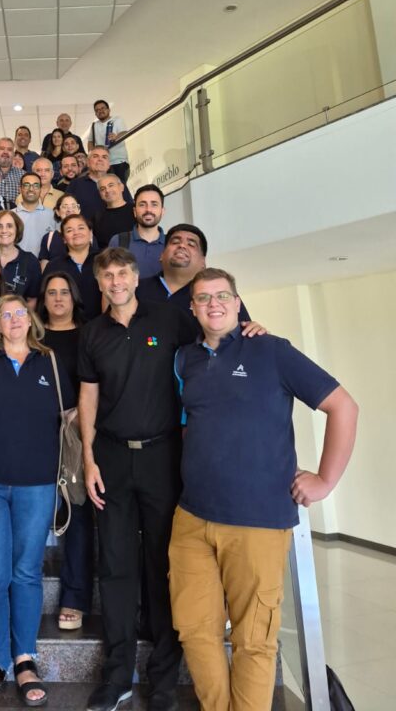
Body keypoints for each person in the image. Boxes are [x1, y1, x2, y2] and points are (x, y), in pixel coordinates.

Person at [78, 249, 266, 711]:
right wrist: (86, 456)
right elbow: (88, 394)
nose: (117, 281)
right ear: (100, 282)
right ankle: (118, 673)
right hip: (111, 459)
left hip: (165, 457)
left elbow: (216, 333)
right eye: (108, 275)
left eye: (124, 272)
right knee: (116, 567)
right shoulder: (92, 333)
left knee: (166, 566)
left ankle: (163, 677)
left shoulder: (170, 318)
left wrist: (252, 329)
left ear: (135, 277)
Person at [169, 268, 358, 711]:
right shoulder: (184, 361)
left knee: (255, 641)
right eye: (203, 298)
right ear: (193, 309)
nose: (213, 304)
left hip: (258, 521)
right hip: (192, 518)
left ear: (237, 304)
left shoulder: (272, 350)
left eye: (222, 296)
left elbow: (343, 406)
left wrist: (325, 480)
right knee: (195, 630)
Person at [0, 295, 75, 708]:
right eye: (7, 314)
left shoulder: (50, 363)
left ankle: (24, 659)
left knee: (25, 573)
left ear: (31, 320)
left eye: (21, 312)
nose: (15, 319)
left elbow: (72, 418)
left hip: (37, 486)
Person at [36, 273, 94, 633]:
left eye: (64, 293)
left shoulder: (90, 333)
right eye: (51, 293)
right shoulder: (32, 334)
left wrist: (83, 415)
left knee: (78, 514)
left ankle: (75, 597)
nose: (58, 299)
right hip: (36, 435)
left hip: (77, 434)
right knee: (33, 510)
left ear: (74, 297)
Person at [45, 214, 102, 320]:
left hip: (101, 327)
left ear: (90, 233)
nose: (76, 233)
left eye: (81, 228)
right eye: (69, 230)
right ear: (64, 239)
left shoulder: (104, 260)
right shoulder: (54, 266)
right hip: (66, 326)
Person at [0, 209, 41, 308]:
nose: (4, 231)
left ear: (17, 229)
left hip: (16, 320)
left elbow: (32, 300)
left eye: (9, 226)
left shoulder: (30, 261)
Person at [108, 185, 166, 280]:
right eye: (142, 204)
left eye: (154, 204)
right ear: (135, 211)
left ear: (162, 211)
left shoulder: (171, 244)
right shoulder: (119, 241)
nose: (148, 210)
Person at [66, 148, 131, 223]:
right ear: (88, 162)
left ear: (109, 164)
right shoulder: (75, 185)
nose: (100, 159)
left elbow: (129, 208)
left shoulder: (119, 183)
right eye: (95, 156)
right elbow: (67, 212)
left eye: (104, 157)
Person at [15, 172, 57, 256]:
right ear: (20, 189)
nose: (31, 189)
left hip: (45, 266)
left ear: (40, 189)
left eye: (36, 185)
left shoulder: (52, 215)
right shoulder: (11, 216)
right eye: (26, 185)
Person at [87, 101, 129, 183]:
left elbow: (124, 132)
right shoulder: (94, 125)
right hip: (102, 163)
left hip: (119, 161)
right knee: (104, 186)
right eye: (97, 110)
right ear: (95, 113)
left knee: (120, 187)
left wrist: (116, 137)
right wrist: (91, 154)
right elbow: (90, 141)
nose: (100, 111)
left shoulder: (117, 120)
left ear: (109, 110)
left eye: (103, 108)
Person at [38, 193, 81, 267]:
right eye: (65, 206)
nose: (70, 210)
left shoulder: (88, 236)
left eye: (73, 206)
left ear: (79, 210)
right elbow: (44, 270)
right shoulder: (49, 238)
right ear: (57, 212)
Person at [92, 175, 134, 249]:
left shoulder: (136, 210)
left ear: (121, 187)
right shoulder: (96, 218)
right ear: (100, 194)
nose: (107, 190)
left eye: (111, 185)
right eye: (102, 189)